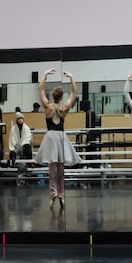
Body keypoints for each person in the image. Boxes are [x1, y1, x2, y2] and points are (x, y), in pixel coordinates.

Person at [34, 68, 83, 208]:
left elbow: (40, 89)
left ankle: (53, 193)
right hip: (61, 137)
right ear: (61, 97)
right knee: (61, 167)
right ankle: (61, 194)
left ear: (53, 96)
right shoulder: (64, 108)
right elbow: (74, 93)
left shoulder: (48, 107)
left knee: (52, 168)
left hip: (50, 137)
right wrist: (71, 77)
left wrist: (44, 75)